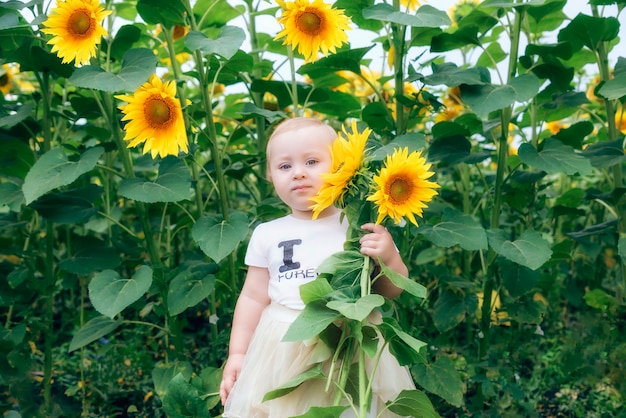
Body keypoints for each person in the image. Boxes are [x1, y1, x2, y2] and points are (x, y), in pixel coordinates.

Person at [220, 117, 415, 417]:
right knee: (284, 407)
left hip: (349, 343)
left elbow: (392, 290)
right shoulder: (267, 233)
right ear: (270, 176)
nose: (298, 173)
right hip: (284, 347)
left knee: (353, 406)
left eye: (311, 161)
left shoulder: (358, 225)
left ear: (338, 166)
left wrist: (387, 257)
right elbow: (253, 297)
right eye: (284, 166)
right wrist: (238, 353)